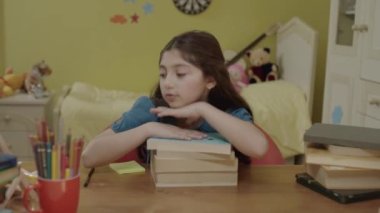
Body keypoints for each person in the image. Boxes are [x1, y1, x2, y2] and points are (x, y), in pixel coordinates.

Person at [82, 30, 268, 168]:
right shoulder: (150, 109)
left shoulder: (228, 113)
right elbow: (89, 157)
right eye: (163, 74)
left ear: (210, 80)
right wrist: (149, 129)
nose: (167, 83)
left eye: (180, 74)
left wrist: (203, 109)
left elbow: (258, 148)